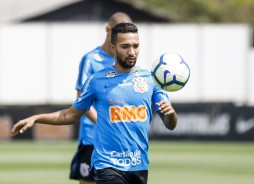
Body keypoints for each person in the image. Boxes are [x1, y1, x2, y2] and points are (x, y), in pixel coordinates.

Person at [10, 22, 177, 184]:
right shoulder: (97, 80)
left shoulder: (151, 80)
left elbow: (170, 124)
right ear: (113, 48)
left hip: (139, 165)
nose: (132, 51)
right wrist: (36, 118)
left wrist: (170, 114)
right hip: (107, 164)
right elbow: (70, 114)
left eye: (136, 46)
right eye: (125, 46)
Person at [70, 12, 132, 184]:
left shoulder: (128, 62)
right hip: (93, 138)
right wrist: (106, 123)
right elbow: (82, 100)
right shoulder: (91, 59)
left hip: (119, 141)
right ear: (108, 29)